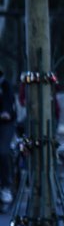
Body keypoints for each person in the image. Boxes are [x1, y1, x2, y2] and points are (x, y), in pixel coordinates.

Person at [0, 68, 15, 204]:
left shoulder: (4, 84)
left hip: (6, 123)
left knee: (3, 152)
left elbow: (8, 102)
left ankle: (6, 187)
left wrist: (6, 112)